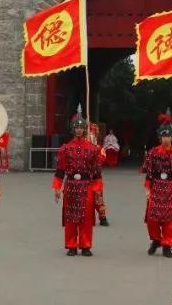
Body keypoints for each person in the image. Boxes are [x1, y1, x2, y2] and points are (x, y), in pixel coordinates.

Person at [52, 107, 102, 256]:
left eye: (81, 127)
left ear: (84, 129)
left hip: (87, 186)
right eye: (76, 127)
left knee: (86, 216)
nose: (79, 130)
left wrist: (98, 190)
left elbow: (96, 172)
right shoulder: (66, 149)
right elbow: (60, 170)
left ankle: (85, 245)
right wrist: (57, 188)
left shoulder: (93, 149)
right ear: (73, 129)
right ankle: (72, 245)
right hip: (71, 186)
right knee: (71, 216)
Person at [142, 113, 172, 257]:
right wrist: (147, 188)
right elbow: (148, 171)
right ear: (160, 137)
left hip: (170, 187)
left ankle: (167, 244)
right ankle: (155, 239)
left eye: (169, 136)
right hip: (156, 186)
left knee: (169, 218)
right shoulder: (153, 152)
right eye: (164, 136)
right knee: (152, 217)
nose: (166, 139)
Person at [88, 122, 109, 226]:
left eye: (93, 134)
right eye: (89, 135)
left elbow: (102, 159)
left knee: (98, 199)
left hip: (96, 178)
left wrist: (93, 154)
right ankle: (87, 217)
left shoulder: (100, 149)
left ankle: (102, 217)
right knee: (85, 199)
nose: (91, 137)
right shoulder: (83, 148)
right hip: (85, 178)